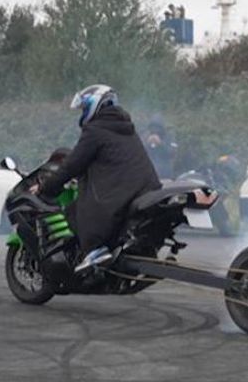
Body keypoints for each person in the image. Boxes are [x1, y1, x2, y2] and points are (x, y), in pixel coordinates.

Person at [36, 84, 161, 272]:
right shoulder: (125, 128)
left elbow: (72, 165)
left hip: (121, 194)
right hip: (143, 189)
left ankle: (94, 251)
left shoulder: (95, 131)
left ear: (95, 105)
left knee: (74, 212)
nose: (82, 113)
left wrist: (46, 187)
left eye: (84, 108)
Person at [143, 114, 177, 180]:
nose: (155, 130)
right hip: (149, 173)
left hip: (165, 173)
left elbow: (172, 153)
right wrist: (147, 144)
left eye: (157, 127)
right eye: (152, 127)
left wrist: (161, 144)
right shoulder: (146, 136)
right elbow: (139, 154)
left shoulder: (169, 137)